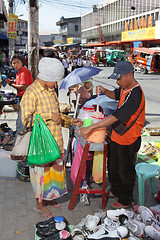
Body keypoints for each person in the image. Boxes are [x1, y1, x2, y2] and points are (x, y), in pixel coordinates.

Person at [77, 61, 145, 208]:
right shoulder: (124, 88)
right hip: (117, 135)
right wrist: (104, 90)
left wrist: (91, 127)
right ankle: (116, 190)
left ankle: (126, 200)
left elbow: (116, 116)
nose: (117, 81)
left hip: (129, 138)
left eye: (119, 78)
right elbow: (115, 94)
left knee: (125, 171)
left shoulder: (136, 94)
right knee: (113, 167)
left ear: (129, 75)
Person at [20, 57, 83, 218]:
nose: (56, 84)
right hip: (41, 144)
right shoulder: (31, 92)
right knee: (41, 174)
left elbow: (58, 115)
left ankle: (47, 199)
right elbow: (26, 120)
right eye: (54, 80)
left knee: (52, 174)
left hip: (55, 141)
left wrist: (69, 120)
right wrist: (48, 115)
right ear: (47, 77)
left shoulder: (50, 91)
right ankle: (39, 205)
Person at [5, 54, 33, 143]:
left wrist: (10, 84)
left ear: (22, 62)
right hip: (24, 98)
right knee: (22, 123)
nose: (15, 64)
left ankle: (18, 145)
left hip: (26, 99)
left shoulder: (23, 71)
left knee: (21, 124)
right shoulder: (19, 72)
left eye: (17, 62)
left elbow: (23, 87)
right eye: (13, 63)